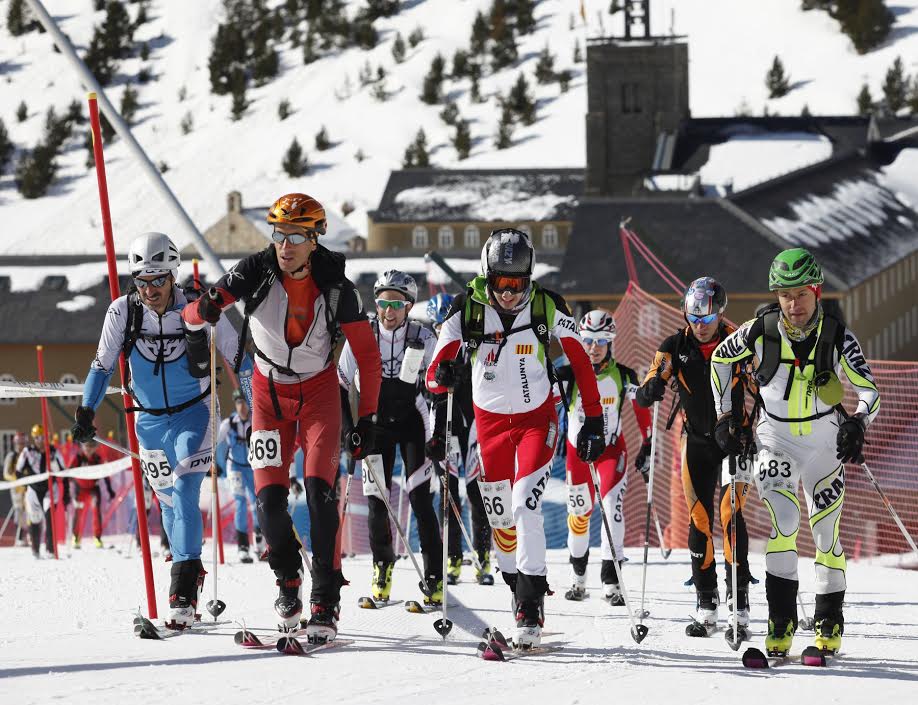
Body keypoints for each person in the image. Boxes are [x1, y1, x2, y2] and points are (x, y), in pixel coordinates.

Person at [182, 193, 381, 643]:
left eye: (294, 237)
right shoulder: (255, 270)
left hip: (318, 395)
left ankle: (325, 600)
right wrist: (205, 310)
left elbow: (368, 358)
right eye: (277, 234)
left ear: (314, 240)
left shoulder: (337, 287)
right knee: (269, 501)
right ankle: (288, 582)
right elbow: (194, 312)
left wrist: (365, 418)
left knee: (318, 495)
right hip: (267, 395)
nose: (284, 245)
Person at [427, 228, 605, 648]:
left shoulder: (546, 306)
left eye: (518, 284)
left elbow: (579, 359)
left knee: (526, 502)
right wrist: (443, 377)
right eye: (502, 285)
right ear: (487, 277)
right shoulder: (465, 309)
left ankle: (530, 601)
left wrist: (593, 419)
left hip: (536, 422)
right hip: (488, 427)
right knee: (501, 520)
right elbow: (435, 368)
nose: (509, 294)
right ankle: (517, 585)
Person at [71, 232, 250, 629]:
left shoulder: (199, 308)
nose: (150, 289)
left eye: (158, 279)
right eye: (141, 280)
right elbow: (101, 366)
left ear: (173, 275)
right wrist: (87, 411)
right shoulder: (122, 312)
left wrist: (259, 410)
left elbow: (239, 358)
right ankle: (192, 570)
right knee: (168, 504)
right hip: (147, 421)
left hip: (195, 413)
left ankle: (181, 593)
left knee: (186, 487)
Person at [711, 248, 879, 656]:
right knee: (784, 522)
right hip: (776, 441)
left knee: (826, 534)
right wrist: (724, 416)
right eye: (785, 295)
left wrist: (857, 422)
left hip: (825, 445)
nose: (793, 304)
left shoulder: (839, 336)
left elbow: (870, 390)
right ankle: (781, 620)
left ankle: (828, 621)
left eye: (801, 294)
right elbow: (719, 359)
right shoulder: (759, 330)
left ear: (816, 291)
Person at [636, 276, 752, 637]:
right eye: (693, 318)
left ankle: (740, 602)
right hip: (698, 441)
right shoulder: (675, 345)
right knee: (700, 518)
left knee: (730, 514)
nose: (700, 327)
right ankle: (706, 603)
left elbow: (761, 383)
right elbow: (648, 384)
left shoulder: (739, 343)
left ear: (720, 313)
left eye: (706, 319)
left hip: (736, 439)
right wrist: (651, 388)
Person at [338, 271, 443, 604]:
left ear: (409, 306)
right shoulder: (363, 335)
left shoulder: (423, 335)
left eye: (397, 304)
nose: (389, 311)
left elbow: (441, 387)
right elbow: (340, 383)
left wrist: (439, 433)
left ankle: (434, 578)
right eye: (383, 303)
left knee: (420, 500)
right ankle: (382, 569)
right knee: (376, 502)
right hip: (374, 426)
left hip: (412, 422)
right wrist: (348, 430)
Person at [559, 311, 652, 604]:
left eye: (601, 341)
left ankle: (611, 583)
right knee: (579, 515)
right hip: (578, 454)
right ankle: (578, 580)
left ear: (610, 342)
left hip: (612, 450)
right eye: (587, 341)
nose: (594, 347)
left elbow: (641, 409)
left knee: (612, 508)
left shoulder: (623, 375)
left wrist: (648, 443)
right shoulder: (570, 373)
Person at [425, 292, 494, 586]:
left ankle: (482, 556)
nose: (444, 331)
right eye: (438, 326)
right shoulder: (429, 348)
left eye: (447, 324)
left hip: (472, 425)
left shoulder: (470, 345)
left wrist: (462, 374)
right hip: (443, 426)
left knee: (477, 491)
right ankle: (452, 558)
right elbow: (427, 385)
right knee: (448, 493)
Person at [216, 389, 263, 563]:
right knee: (240, 502)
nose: (242, 406)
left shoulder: (255, 420)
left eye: (244, 402)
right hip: (234, 466)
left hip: (251, 467)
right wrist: (213, 462)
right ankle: (243, 547)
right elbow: (216, 440)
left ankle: (259, 544)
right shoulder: (230, 423)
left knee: (257, 502)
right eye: (238, 403)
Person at [16, 424, 69, 558]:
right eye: (38, 438)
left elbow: (64, 472)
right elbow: (18, 472)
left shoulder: (53, 452)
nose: (41, 440)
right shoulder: (27, 451)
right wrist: (27, 480)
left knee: (49, 517)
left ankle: (50, 549)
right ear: (34, 438)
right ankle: (35, 549)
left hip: (50, 489)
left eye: (43, 437)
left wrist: (66, 494)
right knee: (34, 519)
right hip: (33, 490)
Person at [69, 438, 115, 549]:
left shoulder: (97, 459)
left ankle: (97, 538)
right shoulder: (78, 458)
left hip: (93, 488)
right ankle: (75, 537)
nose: (89, 449)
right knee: (78, 513)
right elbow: (69, 472)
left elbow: (105, 474)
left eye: (91, 447)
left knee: (96, 512)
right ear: (82, 447)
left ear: (95, 448)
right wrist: (72, 487)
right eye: (87, 446)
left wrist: (109, 489)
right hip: (80, 489)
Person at [3, 432, 29, 546]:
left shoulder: (29, 454)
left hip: (29, 486)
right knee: (19, 511)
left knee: (29, 511)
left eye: (23, 443)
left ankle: (29, 535)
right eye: (19, 443)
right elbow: (6, 473)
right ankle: (19, 537)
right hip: (16, 487)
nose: (21, 445)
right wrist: (17, 480)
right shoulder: (11, 456)